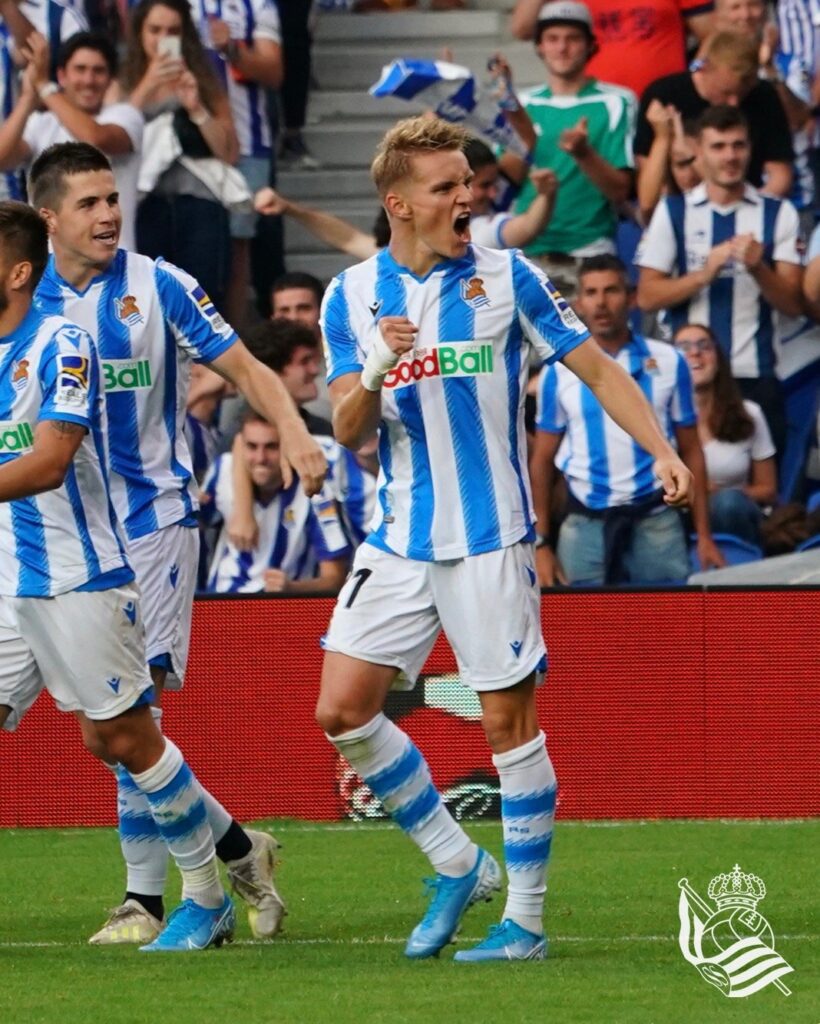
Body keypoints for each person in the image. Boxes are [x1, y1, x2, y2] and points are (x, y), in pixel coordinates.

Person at [315, 115, 694, 962]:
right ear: (399, 203)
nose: (466, 196)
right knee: (341, 709)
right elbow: (347, 427)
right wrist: (375, 365)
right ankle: (456, 863)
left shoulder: (508, 276)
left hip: (490, 537)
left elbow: (593, 366)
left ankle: (523, 919)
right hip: (401, 536)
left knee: (506, 725)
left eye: (468, 181)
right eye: (445, 185)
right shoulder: (351, 296)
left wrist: (662, 448)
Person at [30, 141, 326, 945]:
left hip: (152, 523)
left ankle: (151, 900)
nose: (107, 214)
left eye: (112, 198)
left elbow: (245, 368)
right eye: (88, 203)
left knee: (132, 712)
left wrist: (294, 429)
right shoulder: (23, 300)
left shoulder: (159, 284)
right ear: (47, 217)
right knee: (105, 729)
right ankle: (238, 846)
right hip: (51, 537)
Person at [0, 199, 234, 952]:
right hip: (10, 574)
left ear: (16, 271)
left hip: (80, 571)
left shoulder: (61, 344)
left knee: (124, 739)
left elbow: (51, 458)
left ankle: (206, 893)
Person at [531, 256, 723, 586]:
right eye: (591, 292)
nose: (601, 303)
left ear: (632, 297)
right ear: (578, 303)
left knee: (669, 626)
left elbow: (692, 451)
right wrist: (541, 542)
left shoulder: (669, 360)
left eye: (611, 290)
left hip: (656, 517)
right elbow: (542, 462)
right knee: (581, 630)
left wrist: (704, 535)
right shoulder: (557, 372)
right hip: (584, 520)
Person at [636, 104, 803, 459]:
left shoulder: (778, 212)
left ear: (750, 148)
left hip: (754, 375)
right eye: (718, 146)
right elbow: (647, 297)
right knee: (684, 491)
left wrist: (760, 268)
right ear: (698, 151)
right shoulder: (674, 211)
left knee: (761, 499)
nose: (730, 156)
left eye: (738, 145)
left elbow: (793, 303)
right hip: (687, 377)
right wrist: (703, 275)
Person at [498, 1, 635, 300]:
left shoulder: (617, 101)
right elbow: (504, 184)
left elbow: (621, 191)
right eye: (552, 38)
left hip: (590, 255)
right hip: (525, 254)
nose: (562, 48)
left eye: (572, 39)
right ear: (539, 47)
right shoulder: (523, 103)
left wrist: (584, 154)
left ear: (590, 45)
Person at [121, 0, 238, 311]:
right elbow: (112, 133)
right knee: (150, 300)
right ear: (140, 33)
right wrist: (148, 85)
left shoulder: (203, 74)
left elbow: (228, 151)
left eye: (172, 31)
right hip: (145, 205)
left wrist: (196, 107)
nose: (163, 39)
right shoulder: (124, 77)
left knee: (204, 300)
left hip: (199, 203)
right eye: (155, 30)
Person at [186, 0, 283, 327]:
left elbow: (274, 71)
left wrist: (231, 48)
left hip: (249, 143)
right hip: (185, 146)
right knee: (191, 243)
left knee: (239, 248)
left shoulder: (256, 5)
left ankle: (234, 341)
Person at [0, 30, 143, 250]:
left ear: (110, 79)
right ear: (62, 75)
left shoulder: (125, 116)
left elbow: (95, 138)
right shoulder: (41, 122)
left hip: (112, 262)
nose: (88, 80)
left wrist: (45, 88)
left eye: (98, 71)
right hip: (49, 265)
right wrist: (29, 99)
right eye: (80, 69)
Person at [201, 412, 350, 594]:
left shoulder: (316, 492)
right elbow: (196, 525)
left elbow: (335, 577)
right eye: (252, 446)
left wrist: (291, 588)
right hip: (222, 604)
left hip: (281, 611)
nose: (260, 458)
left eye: (271, 447)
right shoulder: (223, 469)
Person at [634, 31, 794, 196]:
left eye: (742, 93)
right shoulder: (663, 95)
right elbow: (651, 192)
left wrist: (753, 210)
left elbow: (780, 175)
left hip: (752, 202)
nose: (734, 103)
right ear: (704, 69)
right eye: (726, 92)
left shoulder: (764, 95)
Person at [673, 323, 776, 544]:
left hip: (733, 513)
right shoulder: (658, 417)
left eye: (704, 346)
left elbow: (768, 490)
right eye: (684, 347)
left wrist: (722, 494)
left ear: (719, 361)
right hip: (680, 512)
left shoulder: (749, 413)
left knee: (727, 504)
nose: (695, 353)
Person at [509, 0, 715, 99]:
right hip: (595, 106)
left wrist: (693, 78)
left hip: (664, 104)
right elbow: (522, 28)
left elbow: (713, 35)